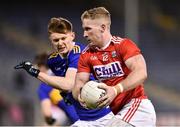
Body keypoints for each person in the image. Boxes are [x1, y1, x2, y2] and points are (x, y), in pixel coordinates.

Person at [14, 17, 114, 126]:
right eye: (56, 40)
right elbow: (63, 85)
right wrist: (65, 94)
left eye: (63, 38)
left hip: (104, 117)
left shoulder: (79, 53)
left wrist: (36, 72)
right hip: (83, 120)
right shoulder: (53, 60)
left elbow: (68, 84)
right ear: (51, 40)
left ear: (72, 36)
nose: (60, 43)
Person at [72, 7, 156, 126]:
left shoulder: (123, 45)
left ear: (103, 28)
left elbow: (141, 72)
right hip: (118, 113)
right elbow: (79, 83)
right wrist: (79, 95)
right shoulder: (86, 55)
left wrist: (115, 89)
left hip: (138, 108)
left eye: (88, 29)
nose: (84, 34)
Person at [34, 52, 73, 126]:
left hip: (77, 118)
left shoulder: (43, 87)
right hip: (94, 111)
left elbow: (48, 114)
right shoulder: (65, 72)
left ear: (41, 66)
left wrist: (49, 121)